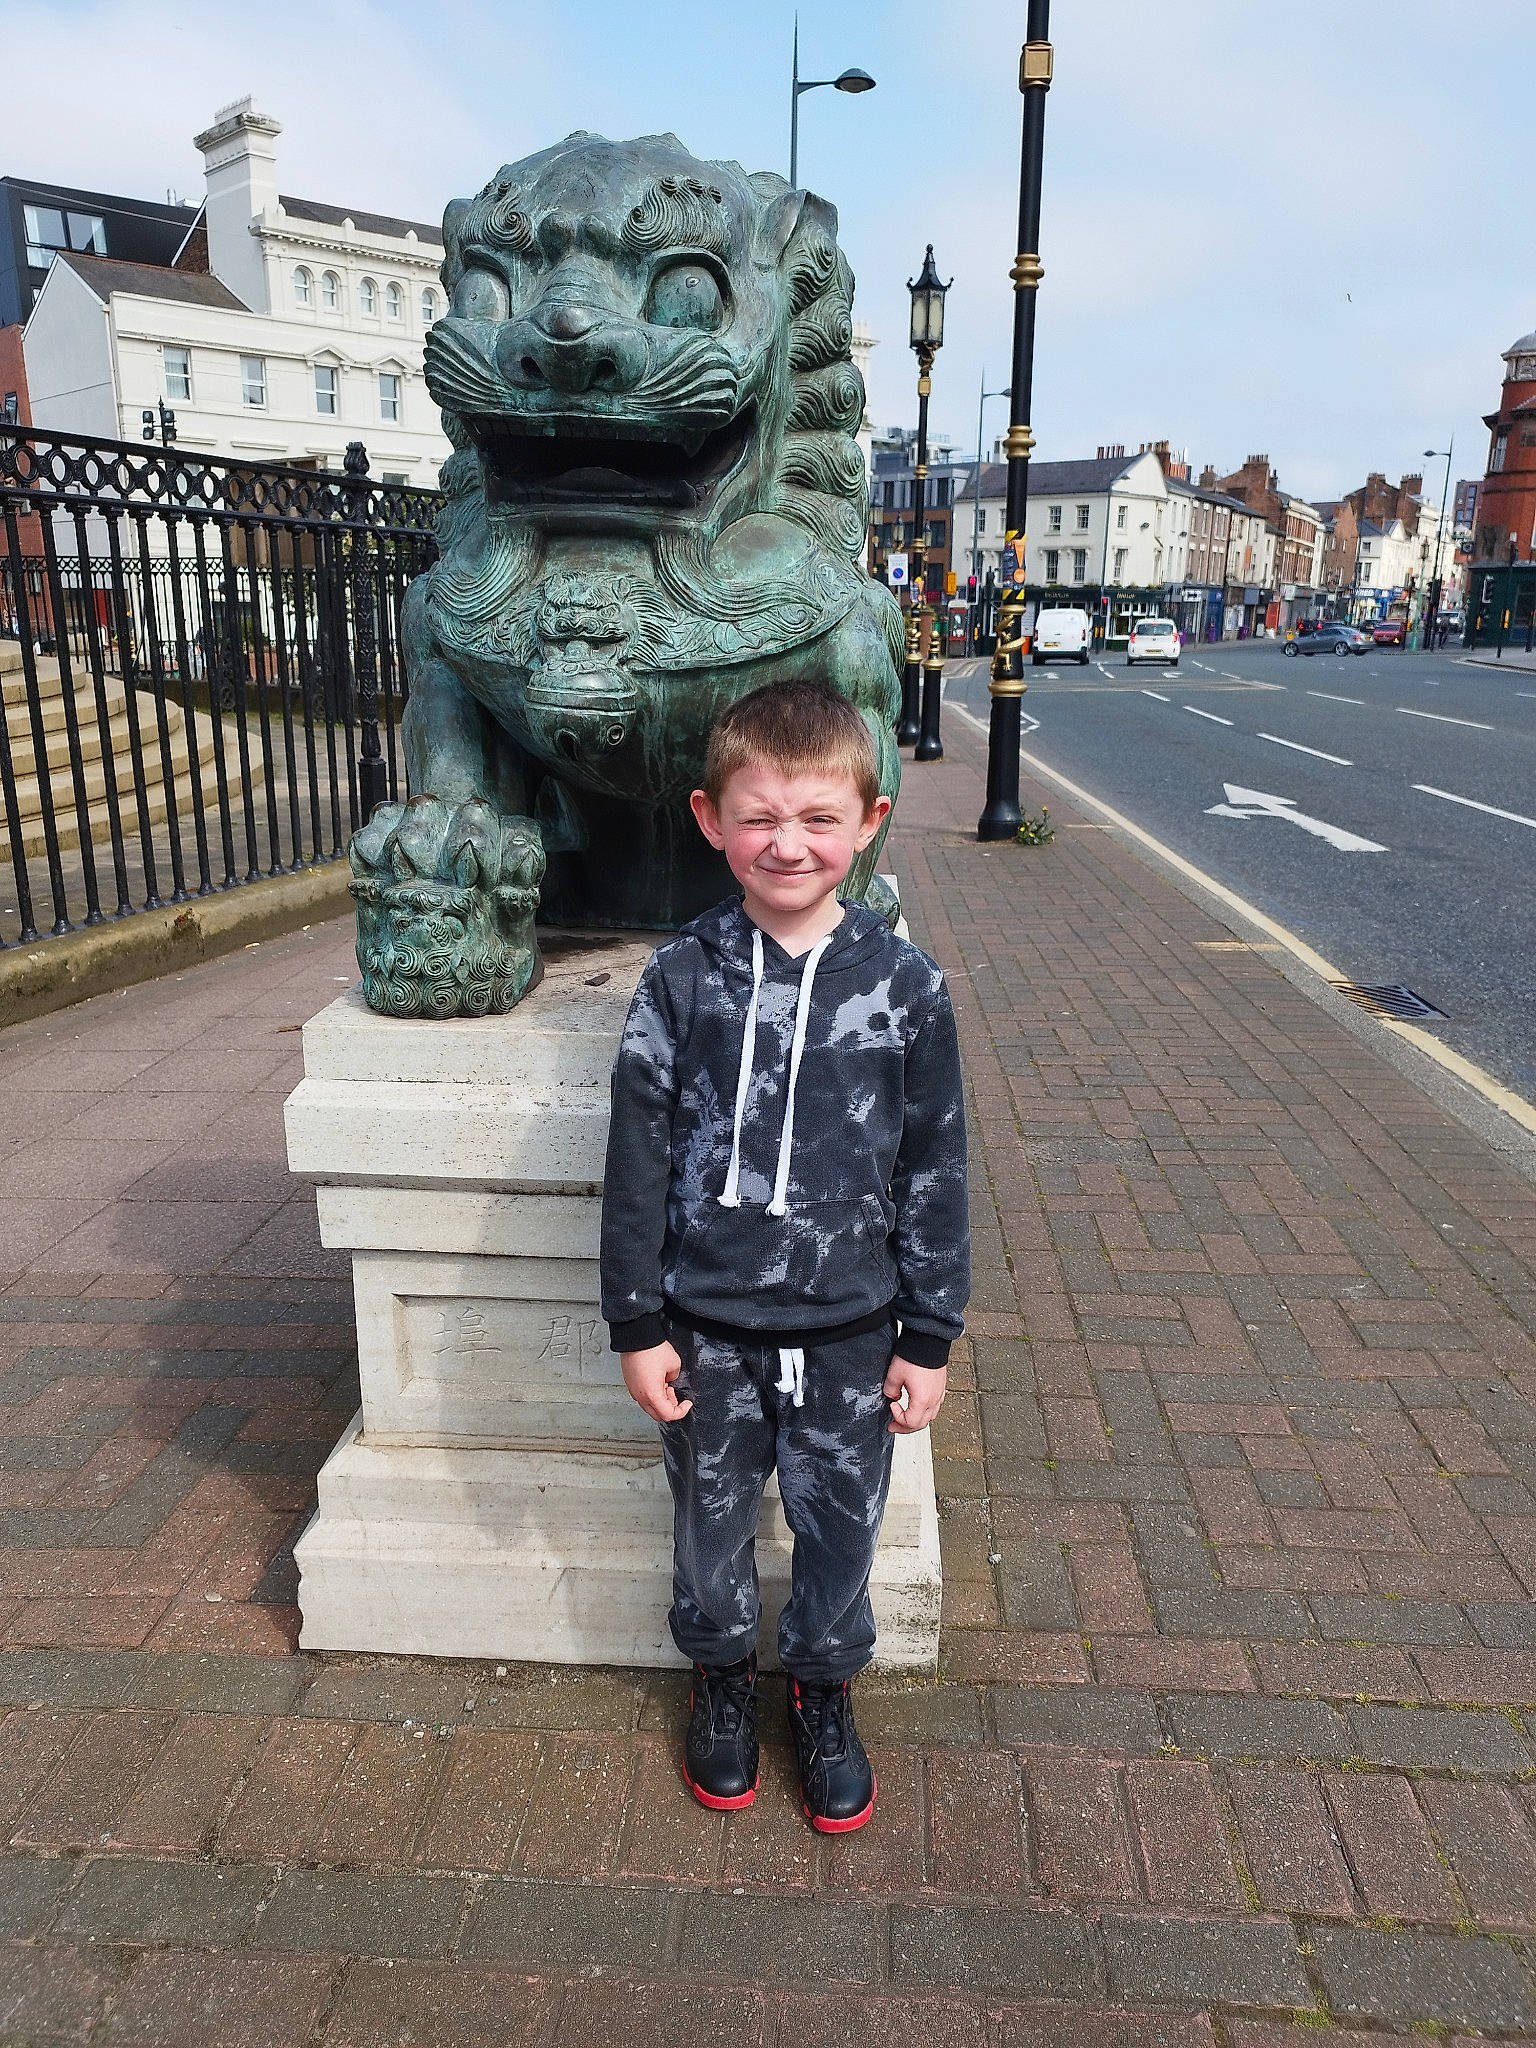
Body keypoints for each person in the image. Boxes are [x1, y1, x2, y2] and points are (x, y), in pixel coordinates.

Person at [600, 679, 970, 1833]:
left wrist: (928, 1334)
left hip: (851, 1336)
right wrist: (637, 1321)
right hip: (706, 1334)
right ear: (711, 818)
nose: (788, 843)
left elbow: (937, 1164)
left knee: (841, 1530)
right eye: (760, 816)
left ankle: (821, 1686)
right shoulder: (680, 978)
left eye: (819, 817)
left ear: (870, 820)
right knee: (709, 1530)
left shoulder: (908, 988)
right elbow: (636, 1159)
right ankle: (720, 1673)